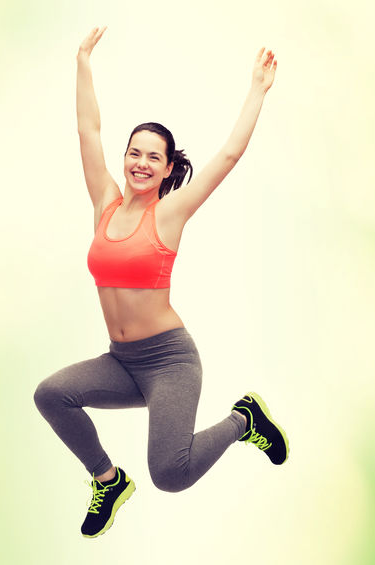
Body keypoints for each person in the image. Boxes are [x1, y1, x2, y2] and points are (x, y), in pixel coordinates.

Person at [33, 26, 290, 539]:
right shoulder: (104, 203)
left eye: (154, 156)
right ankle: (108, 481)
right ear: (125, 158)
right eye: (135, 152)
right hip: (121, 361)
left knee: (171, 474)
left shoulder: (169, 213)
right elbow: (88, 131)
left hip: (169, 362)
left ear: (168, 167)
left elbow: (228, 156)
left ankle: (245, 419)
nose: (141, 163)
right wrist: (83, 60)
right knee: (51, 394)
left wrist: (257, 91)